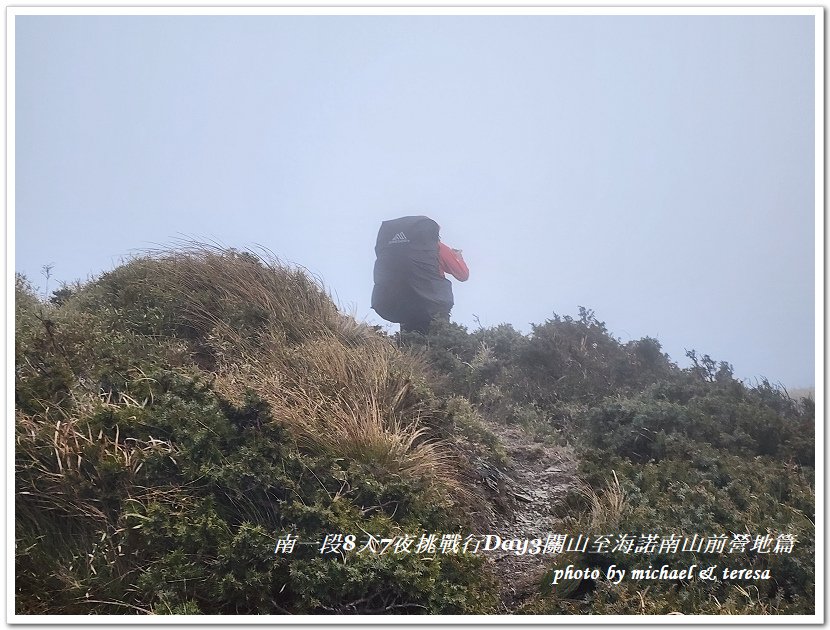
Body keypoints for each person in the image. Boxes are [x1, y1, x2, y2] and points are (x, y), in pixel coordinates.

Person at [371, 216, 469, 335]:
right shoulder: (437, 248)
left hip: (402, 305)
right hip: (433, 306)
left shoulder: (395, 251)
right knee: (437, 345)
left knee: (410, 345)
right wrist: (458, 258)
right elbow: (463, 275)